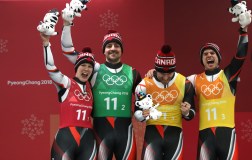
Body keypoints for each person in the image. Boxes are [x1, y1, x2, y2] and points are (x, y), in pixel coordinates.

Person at [60, 13, 142, 160]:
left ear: (122, 50)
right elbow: (68, 51)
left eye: (117, 46)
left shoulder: (134, 73)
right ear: (103, 50)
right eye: (109, 46)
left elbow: (143, 102)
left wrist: (155, 73)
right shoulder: (95, 69)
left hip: (126, 132)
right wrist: (66, 25)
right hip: (100, 130)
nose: (113, 48)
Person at [187, 23, 249, 159]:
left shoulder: (228, 75)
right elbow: (171, 79)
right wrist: (154, 73)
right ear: (202, 60)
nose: (209, 55)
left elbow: (240, 56)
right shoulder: (193, 79)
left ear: (218, 57)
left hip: (226, 135)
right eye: (205, 54)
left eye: (212, 53)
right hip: (205, 136)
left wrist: (243, 31)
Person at [40, 33, 97, 160]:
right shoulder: (66, 83)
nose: (86, 69)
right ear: (76, 67)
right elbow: (50, 67)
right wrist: (46, 44)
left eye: (89, 67)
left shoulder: (92, 90)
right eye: (83, 65)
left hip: (88, 141)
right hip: (65, 140)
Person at [134, 45, 196, 160]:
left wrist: (187, 112)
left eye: (170, 73)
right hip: (152, 135)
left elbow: (192, 112)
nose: (166, 77)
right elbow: (137, 113)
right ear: (155, 69)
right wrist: (142, 115)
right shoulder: (144, 84)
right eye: (162, 73)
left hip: (175, 136)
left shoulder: (185, 83)